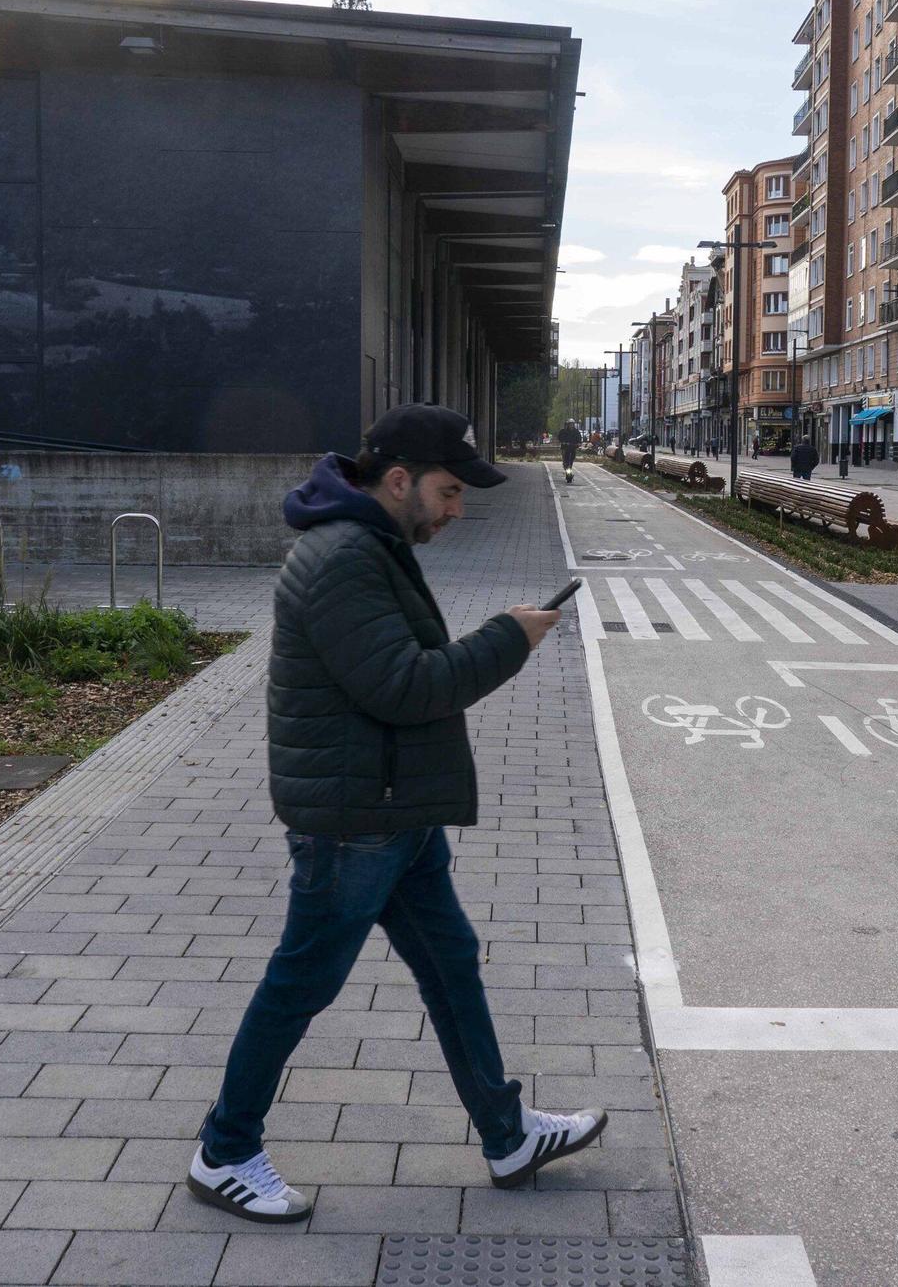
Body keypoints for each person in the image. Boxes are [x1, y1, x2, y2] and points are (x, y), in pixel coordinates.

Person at [191, 405, 605, 1224]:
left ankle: (506, 1132)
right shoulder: (345, 556)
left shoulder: (369, 541)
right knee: (299, 984)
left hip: (391, 810)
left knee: (451, 965)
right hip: (355, 821)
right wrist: (508, 639)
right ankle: (225, 1151)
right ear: (398, 480)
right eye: (449, 493)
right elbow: (404, 686)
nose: (456, 511)